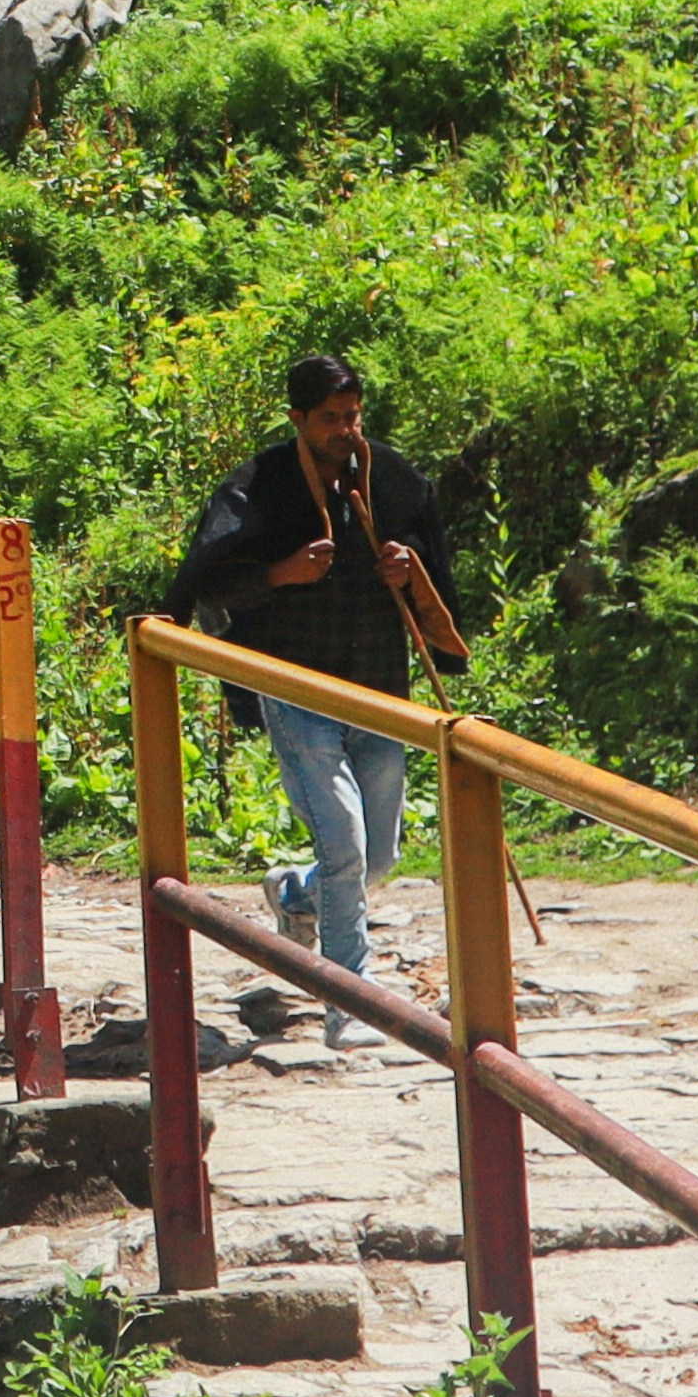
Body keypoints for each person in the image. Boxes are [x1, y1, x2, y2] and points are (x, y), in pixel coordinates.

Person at [170, 351, 466, 1044]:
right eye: (330, 418)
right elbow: (214, 584)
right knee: (345, 849)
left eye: (352, 416)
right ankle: (350, 1005)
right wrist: (284, 573)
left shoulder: (391, 481)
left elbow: (430, 566)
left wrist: (407, 565)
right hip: (297, 689)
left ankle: (293, 893)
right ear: (297, 418)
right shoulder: (261, 487)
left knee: (379, 859)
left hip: (379, 692)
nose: (343, 429)